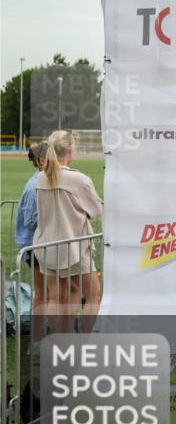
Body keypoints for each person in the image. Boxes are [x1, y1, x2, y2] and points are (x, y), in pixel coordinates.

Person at [34, 130, 103, 326]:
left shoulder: (41, 178)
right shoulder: (78, 179)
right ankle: (87, 345)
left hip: (47, 246)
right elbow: (96, 210)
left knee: (57, 299)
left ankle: (60, 346)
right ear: (70, 151)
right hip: (74, 247)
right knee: (93, 295)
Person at [15, 142, 48, 313]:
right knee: (43, 293)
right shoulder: (34, 186)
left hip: (40, 243)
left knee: (49, 291)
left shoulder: (42, 182)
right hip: (33, 245)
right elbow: (30, 220)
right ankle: (39, 334)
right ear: (42, 161)